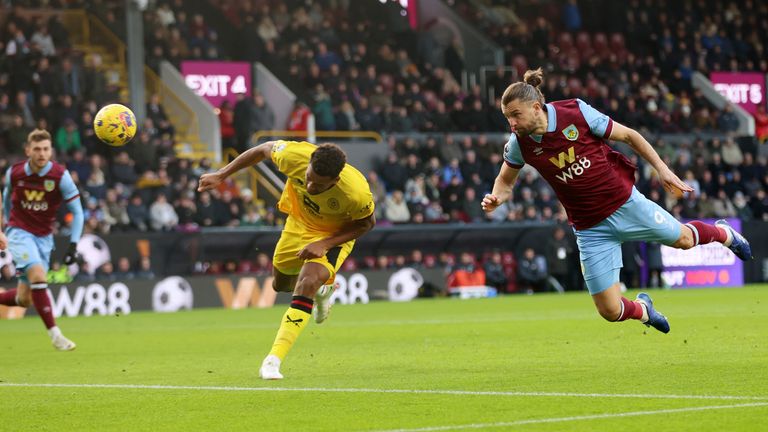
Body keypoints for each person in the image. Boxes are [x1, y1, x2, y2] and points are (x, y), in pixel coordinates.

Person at [482, 69, 752, 334]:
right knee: (609, 311)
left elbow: (629, 136)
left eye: (516, 115)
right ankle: (644, 310)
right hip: (590, 228)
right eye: (507, 117)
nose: (512, 124)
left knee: (683, 240)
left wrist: (662, 168)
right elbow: (505, 181)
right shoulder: (519, 143)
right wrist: (496, 198)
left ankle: (723, 233)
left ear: (536, 107)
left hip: (625, 205)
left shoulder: (575, 112)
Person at [198, 140, 375, 379]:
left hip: (332, 235)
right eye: (308, 177)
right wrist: (222, 174)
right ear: (309, 163)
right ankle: (324, 288)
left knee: (307, 282)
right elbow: (261, 150)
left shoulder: (356, 192)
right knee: (280, 284)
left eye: (319, 185)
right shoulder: (294, 156)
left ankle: (273, 360)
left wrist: (324, 244)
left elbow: (367, 224)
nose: (310, 186)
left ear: (335, 181)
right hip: (297, 223)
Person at [0, 129, 84, 350]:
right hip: (18, 232)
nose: (41, 153)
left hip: (44, 238)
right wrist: (5, 227)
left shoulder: (60, 176)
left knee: (24, 299)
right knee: (38, 275)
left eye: (46, 149)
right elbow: (6, 199)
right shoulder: (15, 173)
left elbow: (78, 212)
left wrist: (73, 244)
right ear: (27, 150)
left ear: (51, 151)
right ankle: (56, 336)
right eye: (37, 149)